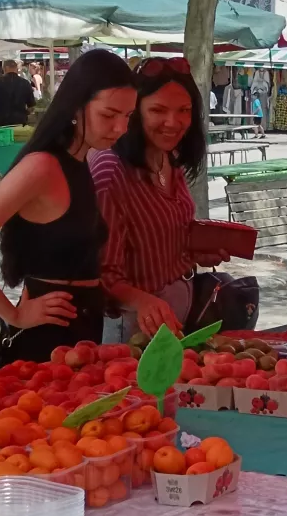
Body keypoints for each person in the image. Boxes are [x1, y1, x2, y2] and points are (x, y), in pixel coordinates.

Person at [0, 50, 136, 367]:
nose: (120, 128)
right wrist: (13, 313)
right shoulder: (43, 166)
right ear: (76, 106)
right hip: (47, 340)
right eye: (109, 114)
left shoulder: (79, 160)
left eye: (128, 117)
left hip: (80, 332)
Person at [89, 57, 228, 342]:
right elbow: (101, 274)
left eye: (184, 110)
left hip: (174, 319)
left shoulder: (168, 157)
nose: (173, 122)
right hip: (130, 329)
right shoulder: (110, 172)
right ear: (134, 112)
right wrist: (142, 301)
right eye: (158, 110)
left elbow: (152, 238)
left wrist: (193, 251)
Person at [0, 59, 36, 127]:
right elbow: (31, 107)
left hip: (2, 122)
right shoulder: (25, 83)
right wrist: (24, 113)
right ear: (16, 68)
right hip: (20, 122)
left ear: (4, 68)